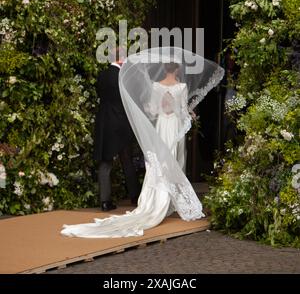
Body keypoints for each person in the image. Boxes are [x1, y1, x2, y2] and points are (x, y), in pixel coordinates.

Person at [61, 47, 224, 238]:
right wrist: (189, 116)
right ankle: (169, 201)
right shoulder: (181, 87)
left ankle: (140, 200)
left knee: (153, 163)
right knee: (170, 161)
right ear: (177, 69)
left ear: (164, 68)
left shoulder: (121, 79)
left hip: (154, 125)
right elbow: (181, 110)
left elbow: (154, 110)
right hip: (164, 127)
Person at [93, 48, 140, 211]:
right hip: (121, 123)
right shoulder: (124, 76)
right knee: (127, 159)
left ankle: (105, 201)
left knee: (106, 162)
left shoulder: (102, 75)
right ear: (121, 59)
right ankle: (135, 196)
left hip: (104, 122)